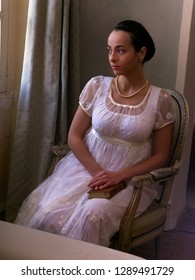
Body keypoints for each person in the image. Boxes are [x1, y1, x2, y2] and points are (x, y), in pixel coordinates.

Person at [15, 20, 174, 247]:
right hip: (87, 168)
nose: (112, 57)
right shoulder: (96, 86)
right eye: (109, 50)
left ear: (141, 53)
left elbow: (161, 156)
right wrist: (99, 174)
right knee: (47, 214)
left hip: (131, 180)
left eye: (121, 50)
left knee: (92, 214)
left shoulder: (161, 100)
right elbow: (74, 136)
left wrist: (118, 176)